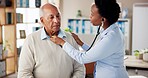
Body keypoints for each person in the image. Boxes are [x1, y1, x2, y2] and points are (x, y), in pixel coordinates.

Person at [50, 0, 129, 78]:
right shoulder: (110, 31)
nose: (89, 16)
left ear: (103, 19)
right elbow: (96, 52)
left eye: (92, 14)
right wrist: (81, 43)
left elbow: (83, 58)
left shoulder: (111, 37)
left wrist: (62, 43)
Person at [17, 3, 85, 78]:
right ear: (42, 20)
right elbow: (24, 73)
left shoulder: (70, 38)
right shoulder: (31, 40)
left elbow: (80, 68)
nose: (56, 20)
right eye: (51, 17)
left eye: (58, 16)